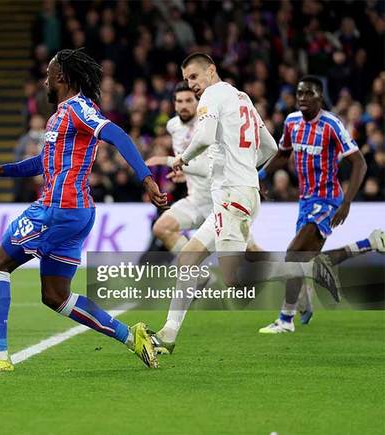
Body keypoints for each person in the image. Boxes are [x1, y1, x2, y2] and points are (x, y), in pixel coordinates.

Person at [0, 49, 168, 372]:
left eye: (48, 74)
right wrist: (1, 170)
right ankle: (132, 337)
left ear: (60, 77)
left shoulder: (79, 109)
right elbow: (41, 163)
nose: (44, 80)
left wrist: (145, 177)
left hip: (58, 208)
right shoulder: (58, 116)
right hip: (75, 213)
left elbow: (116, 133)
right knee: (55, 296)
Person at [151, 53, 339, 354]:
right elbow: (269, 147)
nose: (192, 84)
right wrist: (247, 172)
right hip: (235, 195)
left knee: (233, 281)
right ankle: (169, 335)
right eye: (187, 80)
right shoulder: (241, 98)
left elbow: (204, 137)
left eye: (195, 77)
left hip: (232, 198)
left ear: (211, 71)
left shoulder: (212, 95)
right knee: (188, 260)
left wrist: (180, 159)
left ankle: (304, 272)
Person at [257, 76, 379, 333]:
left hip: (328, 199)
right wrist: (262, 176)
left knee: (293, 254)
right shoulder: (291, 122)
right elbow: (283, 153)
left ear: (319, 98)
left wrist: (346, 202)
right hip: (305, 200)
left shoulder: (332, 124)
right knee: (308, 261)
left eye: (308, 93)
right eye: (299, 93)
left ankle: (285, 320)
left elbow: (359, 162)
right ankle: (369, 243)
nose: (302, 98)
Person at [145, 82, 211, 253]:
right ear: (174, 104)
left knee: (246, 256)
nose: (184, 106)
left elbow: (208, 168)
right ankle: (202, 278)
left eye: (189, 100)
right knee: (161, 228)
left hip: (220, 200)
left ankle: (287, 271)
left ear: (198, 102)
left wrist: (166, 160)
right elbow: (193, 164)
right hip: (196, 200)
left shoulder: (207, 126)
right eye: (179, 101)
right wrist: (184, 174)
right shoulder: (173, 126)